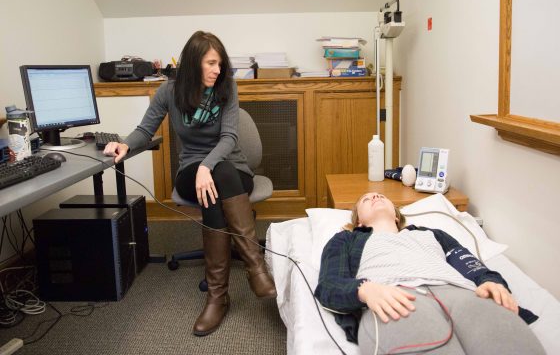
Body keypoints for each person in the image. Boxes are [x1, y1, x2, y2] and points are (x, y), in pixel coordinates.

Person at [103, 31, 276, 336]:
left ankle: (220, 295)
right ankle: (252, 269)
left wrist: (207, 166)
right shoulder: (169, 92)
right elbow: (146, 129)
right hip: (191, 172)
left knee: (218, 177)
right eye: (211, 63)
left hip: (233, 169)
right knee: (208, 184)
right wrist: (125, 145)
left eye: (220, 64)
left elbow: (229, 138)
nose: (217, 70)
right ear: (194, 62)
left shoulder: (227, 87)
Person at [314, 192, 545, 355]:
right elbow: (329, 284)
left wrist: (492, 283)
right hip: (396, 297)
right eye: (366, 199)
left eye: (381, 196)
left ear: (396, 215)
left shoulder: (432, 234)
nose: (375, 197)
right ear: (359, 221)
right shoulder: (346, 240)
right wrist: (364, 290)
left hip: (460, 293)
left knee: (510, 344)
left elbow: (470, 265)